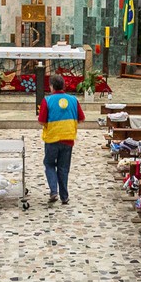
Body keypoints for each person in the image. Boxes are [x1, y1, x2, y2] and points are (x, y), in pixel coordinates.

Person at [38, 73, 83, 205]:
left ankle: (53, 191)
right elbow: (81, 118)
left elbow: (41, 121)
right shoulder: (73, 100)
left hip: (52, 138)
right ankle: (64, 196)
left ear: (51, 87)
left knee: (49, 164)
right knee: (64, 168)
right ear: (63, 85)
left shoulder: (47, 100)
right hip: (68, 138)